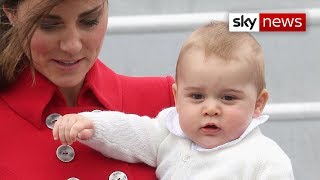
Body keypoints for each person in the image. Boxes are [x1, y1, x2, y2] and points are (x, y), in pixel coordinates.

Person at [53, 21, 294, 179]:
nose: (210, 108)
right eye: (197, 96)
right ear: (177, 97)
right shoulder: (171, 134)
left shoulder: (265, 159)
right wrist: (91, 125)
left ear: (258, 104)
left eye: (228, 98)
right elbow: (132, 132)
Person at [0, 0, 175, 179]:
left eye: (89, 21)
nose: (72, 46)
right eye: (49, 25)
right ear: (11, 14)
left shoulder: (169, 104)